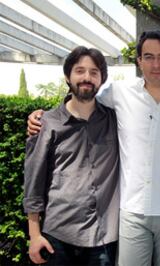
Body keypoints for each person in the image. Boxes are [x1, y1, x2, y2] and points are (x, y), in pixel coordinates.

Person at [28, 31, 160, 266]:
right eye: (148, 56)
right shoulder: (120, 93)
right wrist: (41, 116)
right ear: (139, 61)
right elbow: (81, 98)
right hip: (131, 212)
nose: (155, 64)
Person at [23, 46, 119, 265]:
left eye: (94, 72)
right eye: (80, 71)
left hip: (102, 237)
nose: (87, 77)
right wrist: (34, 235)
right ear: (67, 76)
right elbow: (33, 181)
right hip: (58, 235)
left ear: (102, 79)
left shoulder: (115, 121)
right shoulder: (45, 123)